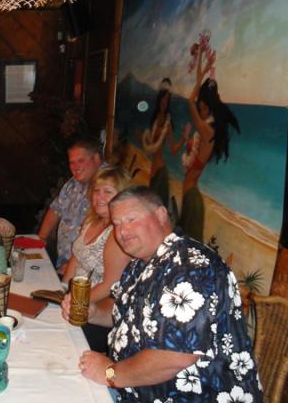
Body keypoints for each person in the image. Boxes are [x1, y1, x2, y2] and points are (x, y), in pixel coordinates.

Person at [78, 186, 261, 403]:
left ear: (161, 215)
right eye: (117, 224)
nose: (122, 231)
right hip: (141, 398)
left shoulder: (192, 268)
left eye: (131, 219)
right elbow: (124, 316)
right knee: (71, 400)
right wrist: (94, 312)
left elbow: (174, 356)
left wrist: (110, 373)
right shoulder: (140, 264)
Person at [60, 166, 133, 352]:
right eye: (97, 191)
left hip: (97, 312)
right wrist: (62, 288)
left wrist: (77, 303)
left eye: (108, 192)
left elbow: (111, 285)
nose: (99, 197)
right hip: (74, 298)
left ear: (122, 196)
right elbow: (77, 257)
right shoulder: (92, 220)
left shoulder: (116, 234)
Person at [180, 51, 240, 241]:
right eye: (200, 108)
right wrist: (203, 67)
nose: (201, 111)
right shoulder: (207, 131)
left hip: (192, 198)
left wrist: (203, 69)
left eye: (203, 108)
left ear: (209, 107)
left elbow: (190, 102)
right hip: (190, 195)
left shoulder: (207, 131)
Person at [38, 139, 104, 273]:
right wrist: (41, 240)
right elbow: (56, 209)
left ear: (96, 158)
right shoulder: (73, 182)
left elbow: (104, 230)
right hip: (65, 264)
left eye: (80, 160)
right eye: (71, 162)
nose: (75, 167)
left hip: (86, 270)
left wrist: (73, 265)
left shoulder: (107, 185)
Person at [141, 78, 187, 206]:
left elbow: (173, 150)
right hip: (153, 170)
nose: (164, 102)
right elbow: (151, 145)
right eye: (163, 98)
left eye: (167, 99)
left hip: (161, 172)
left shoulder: (168, 123)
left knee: (157, 207)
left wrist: (183, 138)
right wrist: (142, 137)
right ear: (159, 99)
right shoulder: (155, 119)